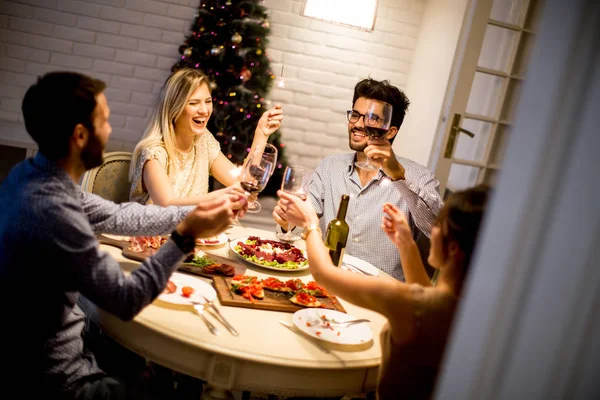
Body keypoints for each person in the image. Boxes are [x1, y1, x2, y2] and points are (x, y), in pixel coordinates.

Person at [0, 71, 244, 399]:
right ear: (80, 135)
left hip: (66, 352)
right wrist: (184, 237)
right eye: (105, 121)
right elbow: (125, 300)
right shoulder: (54, 213)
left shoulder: (34, 177)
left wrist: (194, 214)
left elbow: (120, 215)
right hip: (57, 376)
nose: (111, 130)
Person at [277, 183, 490, 399]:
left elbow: (324, 274)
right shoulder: (464, 310)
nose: (431, 231)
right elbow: (426, 302)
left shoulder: (411, 304)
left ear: (453, 248)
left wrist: (310, 225)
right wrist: (406, 243)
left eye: (438, 225)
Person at [273, 78, 443, 280]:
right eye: (355, 115)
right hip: (330, 281)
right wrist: (286, 220)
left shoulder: (419, 176)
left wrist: (397, 173)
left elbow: (438, 229)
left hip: (383, 295)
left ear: (390, 131)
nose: (358, 124)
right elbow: (297, 226)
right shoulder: (330, 167)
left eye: (372, 118)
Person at [129, 67, 283, 206]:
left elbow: (242, 183)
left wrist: (261, 134)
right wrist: (221, 196)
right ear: (174, 108)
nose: (204, 110)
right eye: (194, 103)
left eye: (208, 101)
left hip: (190, 233)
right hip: (151, 236)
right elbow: (167, 205)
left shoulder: (203, 142)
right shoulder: (153, 152)